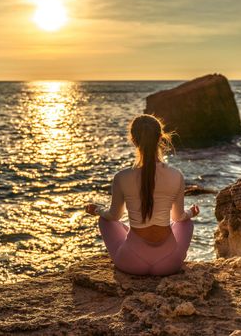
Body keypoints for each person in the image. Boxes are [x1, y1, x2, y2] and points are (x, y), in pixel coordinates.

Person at [85, 114, 199, 276]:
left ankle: (130, 239)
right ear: (160, 138)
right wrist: (190, 213)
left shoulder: (122, 177)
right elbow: (178, 217)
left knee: (105, 220)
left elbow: (114, 216)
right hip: (169, 264)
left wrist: (97, 209)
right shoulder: (176, 175)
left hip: (132, 262)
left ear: (133, 140)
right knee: (186, 223)